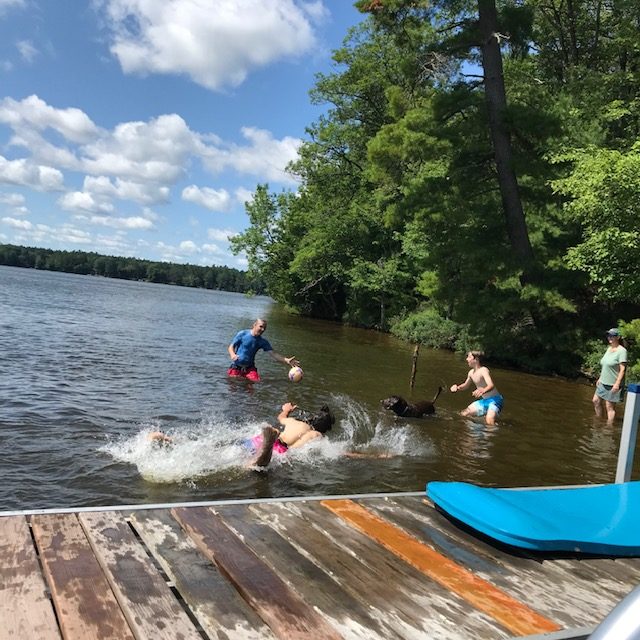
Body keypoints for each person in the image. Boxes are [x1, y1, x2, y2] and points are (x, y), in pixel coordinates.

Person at [251, 401, 334, 468]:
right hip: (281, 453)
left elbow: (281, 418)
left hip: (268, 440)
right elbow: (330, 450)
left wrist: (286, 410)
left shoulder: (296, 422)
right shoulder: (318, 435)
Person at [227, 318, 298, 382]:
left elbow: (274, 354)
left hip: (250, 368)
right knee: (232, 387)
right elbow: (231, 347)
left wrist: (286, 360)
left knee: (255, 383)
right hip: (236, 366)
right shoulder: (242, 334)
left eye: (264, 328)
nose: (262, 330)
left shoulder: (262, 342)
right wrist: (232, 354)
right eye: (261, 326)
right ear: (254, 325)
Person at [450, 351, 504, 426]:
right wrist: (457, 387)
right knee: (464, 413)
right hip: (485, 401)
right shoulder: (471, 373)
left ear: (476, 359)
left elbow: (491, 385)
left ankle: (493, 435)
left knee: (489, 421)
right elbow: (465, 385)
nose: (467, 359)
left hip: (495, 400)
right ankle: (476, 429)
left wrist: (483, 390)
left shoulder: (483, 370)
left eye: (469, 357)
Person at [593, 328, 627, 423]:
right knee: (595, 400)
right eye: (608, 335)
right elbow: (605, 364)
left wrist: (617, 384)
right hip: (603, 382)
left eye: (612, 335)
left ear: (618, 337)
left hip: (613, 383)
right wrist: (600, 377)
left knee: (609, 406)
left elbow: (622, 369)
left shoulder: (622, 351)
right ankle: (599, 420)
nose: (610, 337)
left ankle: (609, 427)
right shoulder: (609, 348)